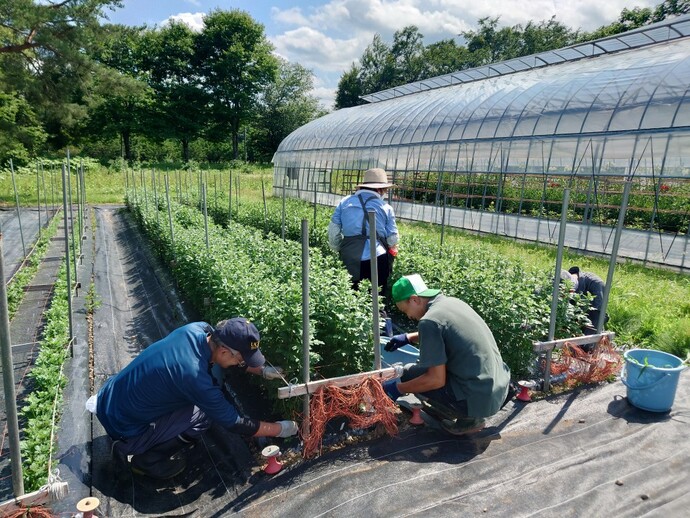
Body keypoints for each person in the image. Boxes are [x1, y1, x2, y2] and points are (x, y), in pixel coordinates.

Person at [90, 317, 298, 480]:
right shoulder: (194, 376)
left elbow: (219, 360)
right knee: (205, 414)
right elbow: (234, 423)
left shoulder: (198, 329)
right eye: (241, 359)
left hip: (110, 397)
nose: (242, 363)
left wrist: (261, 370)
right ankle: (146, 459)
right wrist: (281, 428)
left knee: (211, 385)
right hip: (122, 425)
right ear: (224, 350)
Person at [382, 274, 512, 435]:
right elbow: (448, 331)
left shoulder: (428, 321)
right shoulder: (452, 303)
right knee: (420, 371)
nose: (408, 316)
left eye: (405, 310)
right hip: (499, 385)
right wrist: (409, 337)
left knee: (409, 373)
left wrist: (398, 388)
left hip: (478, 397)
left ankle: (469, 418)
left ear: (415, 299)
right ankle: (471, 410)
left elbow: (435, 380)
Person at [328, 167, 399, 296]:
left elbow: (333, 231)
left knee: (349, 297)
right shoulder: (386, 208)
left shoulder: (344, 203)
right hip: (378, 256)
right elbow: (392, 239)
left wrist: (341, 248)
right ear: (380, 189)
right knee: (377, 299)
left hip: (350, 256)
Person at [563, 266, 609, 335]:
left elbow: (597, 315)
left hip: (590, 323)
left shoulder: (595, 284)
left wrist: (586, 342)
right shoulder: (562, 278)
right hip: (572, 322)